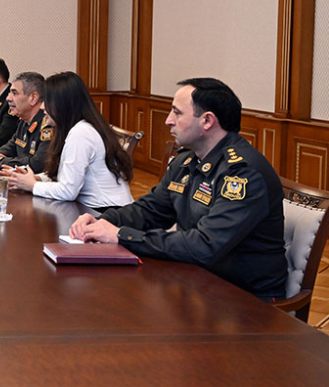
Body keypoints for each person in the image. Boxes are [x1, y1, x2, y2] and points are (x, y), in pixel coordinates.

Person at [69, 78, 287, 300]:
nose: (168, 121)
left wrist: (121, 236)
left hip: (244, 300)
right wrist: (103, 222)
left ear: (207, 121)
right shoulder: (186, 161)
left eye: (177, 113)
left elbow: (204, 246)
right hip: (197, 282)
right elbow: (150, 210)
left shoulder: (242, 174)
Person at [5, 71, 133, 211]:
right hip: (94, 208)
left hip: (106, 212)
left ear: (62, 104)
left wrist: (33, 185)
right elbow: (64, 176)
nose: (42, 107)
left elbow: (67, 191)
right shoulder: (75, 129)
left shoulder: (81, 133)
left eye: (47, 101)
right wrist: (35, 178)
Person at [0, 71, 53, 173]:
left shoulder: (48, 125)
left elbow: (37, 164)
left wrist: (1, 162)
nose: (8, 98)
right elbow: (11, 146)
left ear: (33, 98)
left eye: (15, 93)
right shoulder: (24, 121)